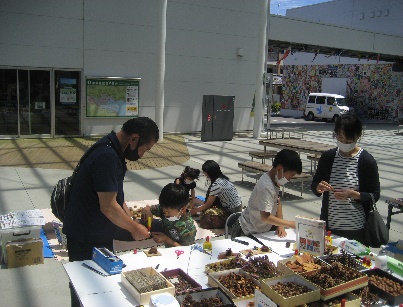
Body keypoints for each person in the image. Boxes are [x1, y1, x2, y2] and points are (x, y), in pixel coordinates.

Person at [63, 117, 159, 261]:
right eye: (143, 150)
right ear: (134, 139)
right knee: (89, 278)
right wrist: (134, 229)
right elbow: (108, 206)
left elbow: (115, 196)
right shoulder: (107, 157)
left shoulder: (109, 146)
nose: (141, 155)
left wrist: (131, 220)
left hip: (93, 230)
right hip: (87, 237)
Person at [311, 114, 380, 244]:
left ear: (358, 136)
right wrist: (317, 187)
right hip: (330, 225)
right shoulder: (328, 158)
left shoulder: (367, 161)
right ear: (335, 134)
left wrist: (355, 195)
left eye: (349, 141)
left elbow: (375, 194)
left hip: (356, 227)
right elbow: (315, 183)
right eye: (341, 138)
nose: (344, 144)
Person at [231, 149, 302, 239]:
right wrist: (290, 224)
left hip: (260, 229)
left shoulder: (275, 180)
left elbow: (278, 202)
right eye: (290, 175)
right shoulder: (266, 186)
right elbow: (265, 217)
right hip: (247, 231)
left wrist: (281, 225)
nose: (289, 179)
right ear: (279, 169)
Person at [190, 160, 242, 228]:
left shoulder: (216, 185)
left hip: (231, 212)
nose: (204, 174)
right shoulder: (224, 180)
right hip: (238, 209)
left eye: (205, 172)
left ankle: (227, 222)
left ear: (209, 173)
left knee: (206, 215)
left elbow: (207, 205)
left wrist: (194, 211)